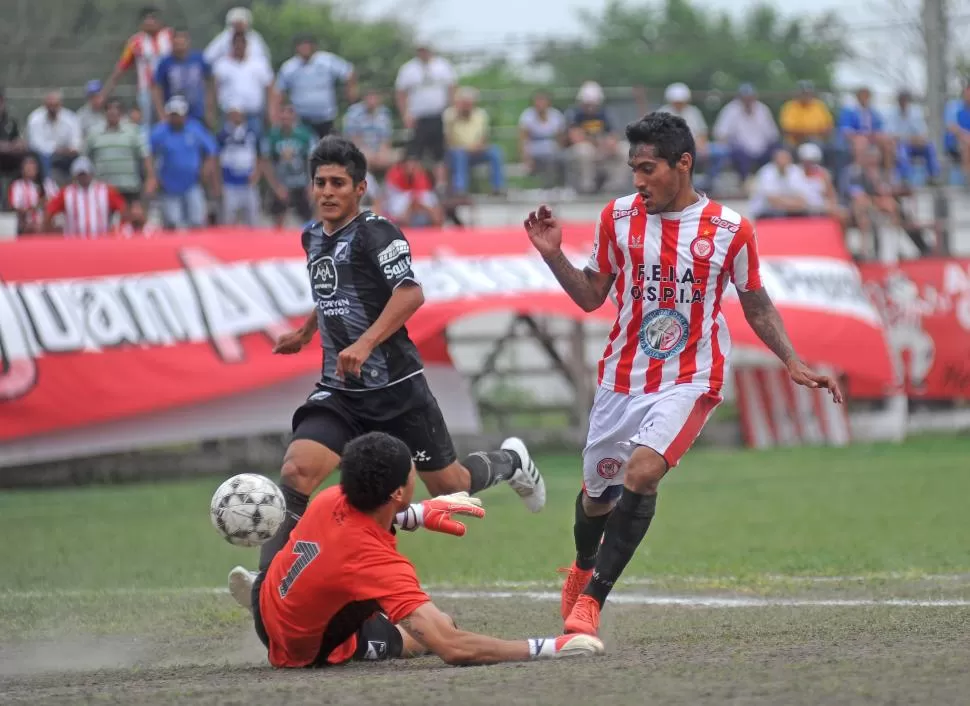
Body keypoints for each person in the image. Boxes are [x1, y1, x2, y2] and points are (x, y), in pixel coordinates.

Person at [523, 112, 844, 637]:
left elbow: (757, 304)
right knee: (596, 497)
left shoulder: (729, 229)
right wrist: (555, 255)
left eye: (648, 168)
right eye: (634, 169)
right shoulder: (618, 218)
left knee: (643, 472)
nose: (638, 180)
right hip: (623, 378)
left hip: (692, 375)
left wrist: (791, 359)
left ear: (683, 164)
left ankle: (593, 602)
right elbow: (589, 296)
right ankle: (583, 567)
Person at [227, 136, 546, 608]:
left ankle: (513, 462)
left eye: (339, 183)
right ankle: (267, 586)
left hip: (396, 390)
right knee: (296, 471)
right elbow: (333, 292)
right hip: (339, 392)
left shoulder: (378, 233)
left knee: (450, 486)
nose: (327, 192)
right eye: (320, 183)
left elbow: (409, 294)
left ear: (360, 188)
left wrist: (365, 342)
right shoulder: (312, 235)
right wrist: (305, 331)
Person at [247, 431, 603, 668]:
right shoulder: (380, 565)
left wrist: (417, 514)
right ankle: (369, 623)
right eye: (412, 470)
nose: (416, 473)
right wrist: (550, 647)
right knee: (428, 635)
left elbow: (364, 524)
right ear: (399, 492)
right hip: (303, 652)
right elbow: (453, 646)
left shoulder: (330, 498)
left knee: (341, 578)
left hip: (265, 598)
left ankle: (306, 595)